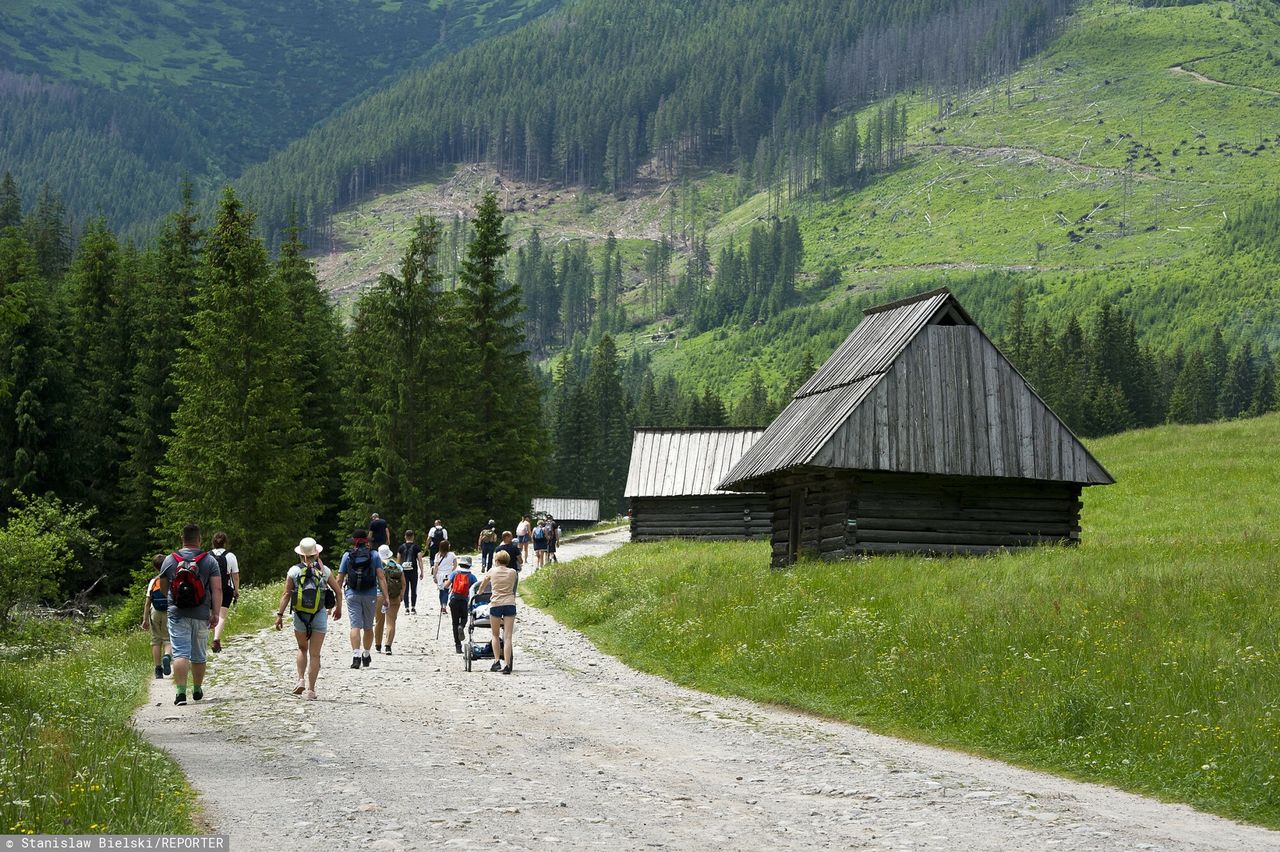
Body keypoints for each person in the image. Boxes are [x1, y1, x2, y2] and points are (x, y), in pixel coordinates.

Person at [158, 523, 222, 705]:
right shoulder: (209, 560)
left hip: (177, 612)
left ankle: (180, 694)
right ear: (199, 539)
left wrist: (173, 598)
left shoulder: (170, 559)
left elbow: (163, 587)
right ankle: (196, 689)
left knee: (180, 653)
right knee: (199, 654)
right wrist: (215, 613)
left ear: (182, 539)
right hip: (201, 613)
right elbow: (217, 588)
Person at [275, 537, 343, 700]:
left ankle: (300, 680)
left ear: (301, 555)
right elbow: (338, 591)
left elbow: (286, 594)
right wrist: (338, 608)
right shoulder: (324, 571)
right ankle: (311, 691)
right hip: (318, 614)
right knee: (315, 654)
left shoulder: (293, 571)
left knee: (302, 648)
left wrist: (279, 615)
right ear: (316, 553)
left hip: (299, 615)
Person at [339, 528, 389, 669]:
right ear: (366, 542)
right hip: (370, 594)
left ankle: (356, 656)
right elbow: (381, 577)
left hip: (352, 593)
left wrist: (337, 598)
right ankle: (366, 655)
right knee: (368, 627)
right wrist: (386, 597)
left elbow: (340, 577)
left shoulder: (347, 556)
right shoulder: (373, 555)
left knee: (355, 626)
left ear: (354, 543)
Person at [472, 550, 518, 674]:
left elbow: (483, 585)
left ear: (496, 561)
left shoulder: (492, 571)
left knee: (495, 635)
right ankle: (508, 665)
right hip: (509, 603)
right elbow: (513, 587)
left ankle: (497, 660)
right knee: (508, 636)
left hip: (496, 604)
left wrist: (479, 593)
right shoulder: (513, 572)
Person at [140, 554, 172, 680]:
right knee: (168, 639)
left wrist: (145, 620)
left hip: (155, 611)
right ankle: (167, 657)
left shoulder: (154, 581)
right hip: (169, 611)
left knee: (155, 641)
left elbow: (148, 602)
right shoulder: (170, 579)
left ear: (155, 567)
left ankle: (158, 670)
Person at [210, 531, 239, 653]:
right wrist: (236, 590)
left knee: (211, 614)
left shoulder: (208, 555)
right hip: (226, 588)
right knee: (221, 616)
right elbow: (235, 576)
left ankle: (208, 638)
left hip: (211, 589)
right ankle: (216, 639)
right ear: (225, 543)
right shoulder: (230, 556)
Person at [375, 544, 404, 654]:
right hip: (394, 596)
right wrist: (401, 595)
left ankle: (378, 645)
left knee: (379, 621)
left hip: (379, 596)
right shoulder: (397, 566)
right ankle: (388, 646)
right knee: (391, 622)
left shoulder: (377, 566)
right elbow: (404, 583)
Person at [446, 555, 478, 654]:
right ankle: (462, 626)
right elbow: (475, 590)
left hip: (454, 600)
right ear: (469, 565)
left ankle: (458, 646)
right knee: (464, 618)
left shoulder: (454, 574)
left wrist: (445, 582)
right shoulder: (472, 576)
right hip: (464, 601)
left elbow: (446, 585)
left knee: (454, 623)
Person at [397, 529, 423, 614]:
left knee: (405, 589)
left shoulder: (401, 547)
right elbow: (420, 560)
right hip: (413, 570)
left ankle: (406, 608)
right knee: (413, 589)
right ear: (413, 537)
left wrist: (398, 572)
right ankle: (413, 607)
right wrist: (422, 571)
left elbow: (398, 561)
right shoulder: (416, 547)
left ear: (405, 536)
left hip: (404, 572)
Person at [432, 540, 456, 615]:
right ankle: (444, 606)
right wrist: (451, 570)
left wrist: (434, 576)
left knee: (441, 591)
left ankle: (441, 605)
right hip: (448, 575)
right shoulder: (452, 555)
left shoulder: (437, 555)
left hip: (439, 575)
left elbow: (436, 566)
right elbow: (455, 565)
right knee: (446, 591)